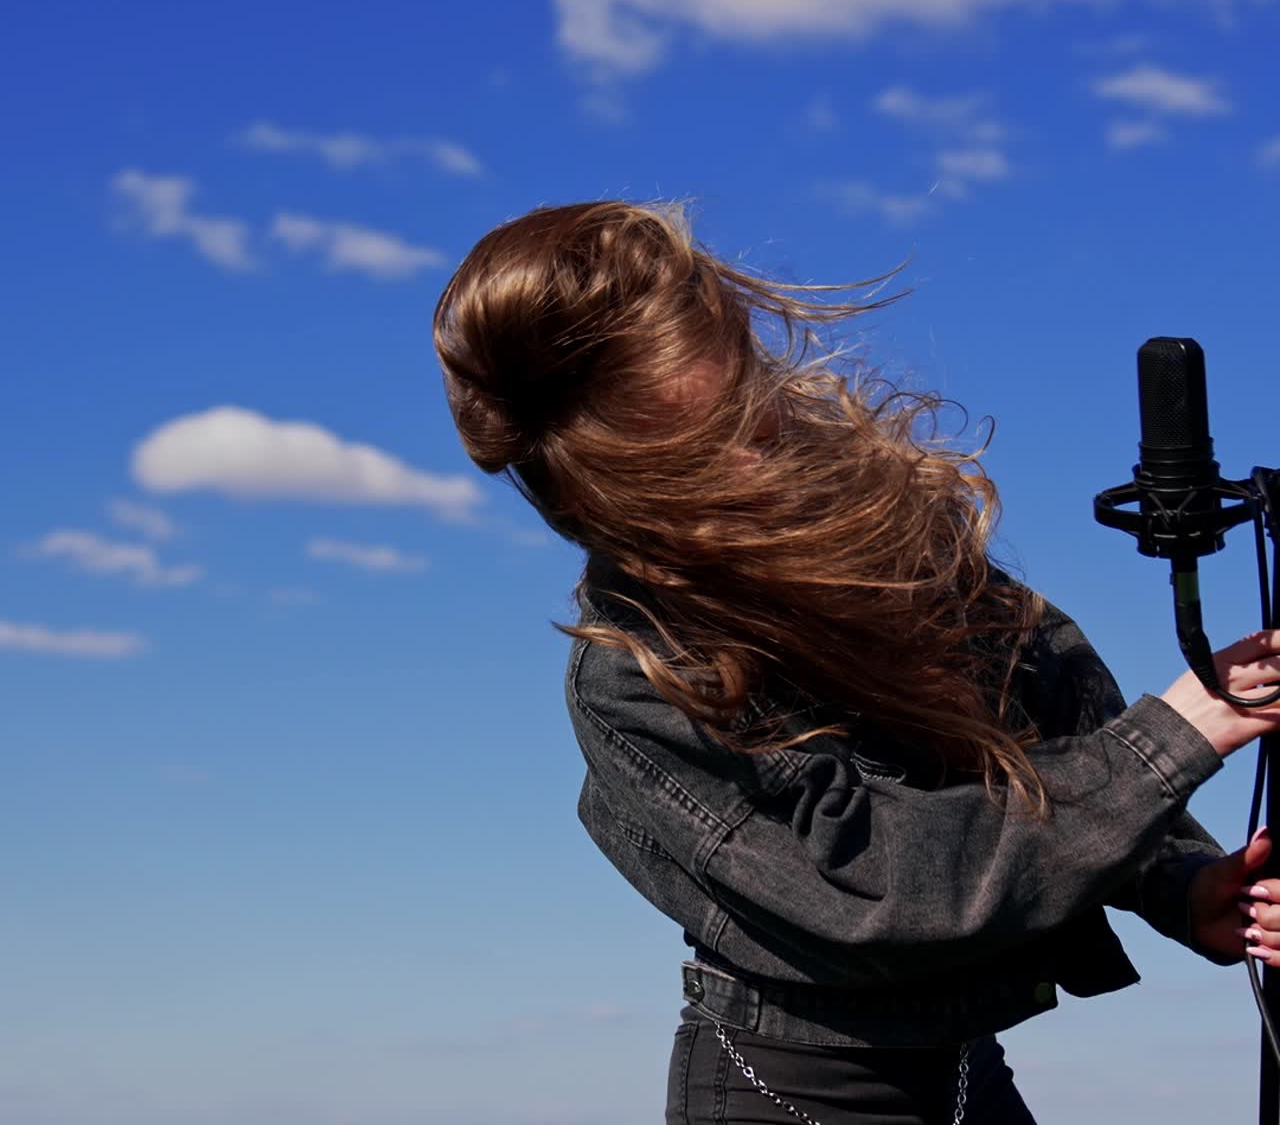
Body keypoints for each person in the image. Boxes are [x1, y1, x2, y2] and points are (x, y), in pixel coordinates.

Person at [432, 199, 1280, 1124]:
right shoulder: (637, 677)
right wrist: (1176, 737)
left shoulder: (872, 545)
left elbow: (1051, 726)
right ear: (621, 471)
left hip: (967, 1073)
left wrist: (1183, 885)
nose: (761, 431)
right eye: (705, 441)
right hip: (791, 1091)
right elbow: (887, 885)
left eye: (749, 392)